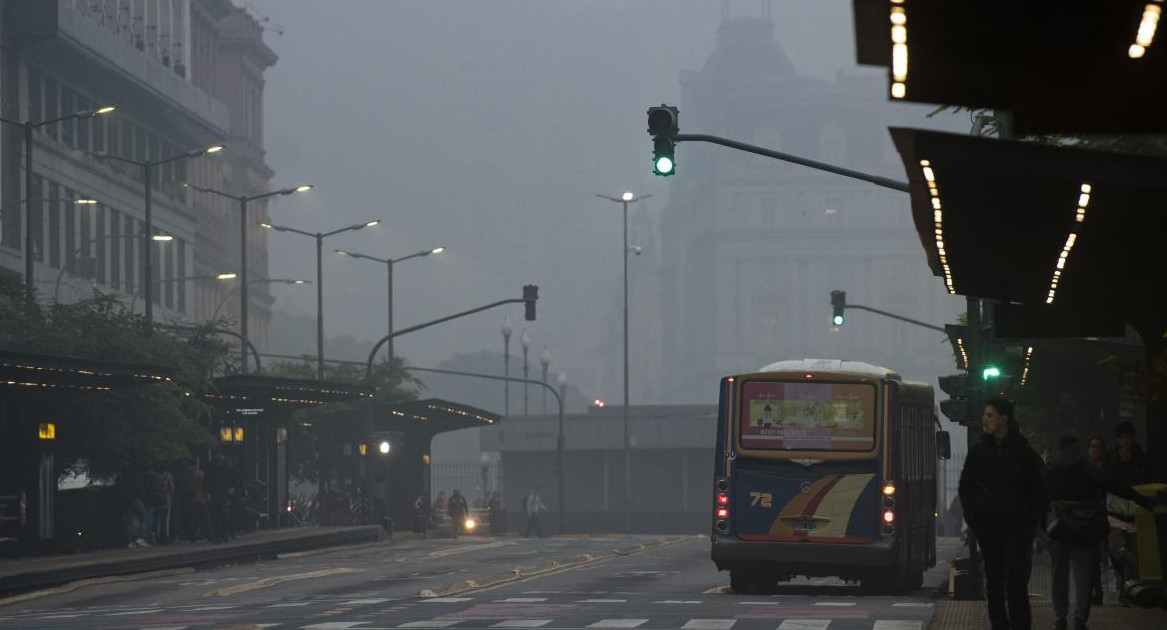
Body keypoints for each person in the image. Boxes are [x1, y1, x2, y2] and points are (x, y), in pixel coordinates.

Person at [959, 397, 1046, 630]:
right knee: (994, 583)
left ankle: (1019, 625)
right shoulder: (979, 452)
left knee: (1017, 582)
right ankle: (999, 624)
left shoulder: (1023, 452)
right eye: (984, 415)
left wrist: (1028, 524)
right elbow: (966, 487)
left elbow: (1036, 490)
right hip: (989, 528)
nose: (984, 420)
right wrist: (974, 517)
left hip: (1017, 529)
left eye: (989, 415)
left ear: (1003, 419)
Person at [1045, 435, 1108, 630]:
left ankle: (1060, 616)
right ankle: (1080, 618)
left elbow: (1039, 488)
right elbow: (1107, 483)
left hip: (1060, 525)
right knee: (1083, 575)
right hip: (1084, 526)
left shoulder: (1053, 468)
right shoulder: (1086, 467)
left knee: (1059, 573)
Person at [177, 458, 211, 541]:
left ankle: (192, 536)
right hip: (201, 499)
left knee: (192, 519)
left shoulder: (186, 475)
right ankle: (209, 535)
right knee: (205, 518)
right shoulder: (200, 474)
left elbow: (182, 487)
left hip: (189, 499)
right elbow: (206, 486)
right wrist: (208, 496)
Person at [148, 462, 175, 545]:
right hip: (166, 499)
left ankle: (155, 536)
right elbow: (172, 488)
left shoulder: (153, 476)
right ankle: (164, 537)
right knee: (165, 520)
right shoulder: (168, 476)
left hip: (156, 499)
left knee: (156, 519)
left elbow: (150, 486)